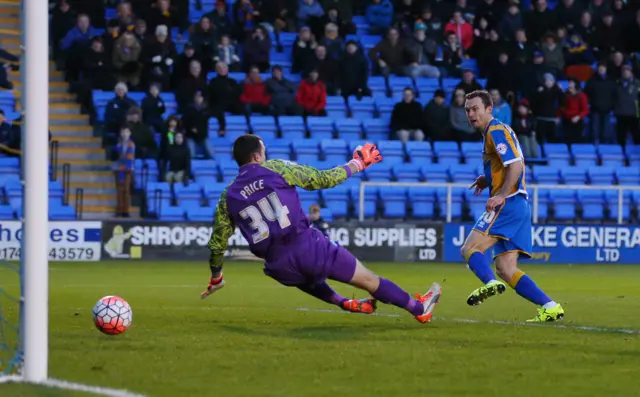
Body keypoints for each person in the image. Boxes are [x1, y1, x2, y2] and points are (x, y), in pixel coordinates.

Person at [201, 134, 442, 324]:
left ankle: (343, 302)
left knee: (308, 277)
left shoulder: (227, 196)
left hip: (278, 266)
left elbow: (217, 243)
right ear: (256, 156)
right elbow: (322, 179)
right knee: (369, 280)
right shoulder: (275, 169)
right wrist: (357, 163)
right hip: (308, 247)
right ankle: (420, 309)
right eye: (263, 152)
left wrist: (216, 277)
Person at [461, 90, 564, 322]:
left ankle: (489, 284)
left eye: (475, 108)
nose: (470, 113)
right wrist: (485, 179)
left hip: (508, 203)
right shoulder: (493, 132)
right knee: (506, 269)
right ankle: (550, 306)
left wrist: (501, 196)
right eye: (467, 109)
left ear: (489, 109)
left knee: (470, 249)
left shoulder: (495, 130)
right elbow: (505, 165)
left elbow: (516, 165)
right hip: (519, 204)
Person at [113, 125, 135, 218]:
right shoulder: (118, 144)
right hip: (118, 169)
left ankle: (125, 211)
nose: (125, 134)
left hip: (128, 169)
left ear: (130, 133)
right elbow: (114, 157)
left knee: (126, 190)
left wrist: (127, 167)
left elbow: (130, 158)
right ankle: (118, 211)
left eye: (127, 132)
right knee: (119, 190)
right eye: (123, 132)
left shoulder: (132, 144)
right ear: (121, 133)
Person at [560, 79, 589, 145]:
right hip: (566, 119)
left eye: (571, 83)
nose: (570, 85)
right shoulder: (565, 94)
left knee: (576, 139)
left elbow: (585, 110)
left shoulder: (582, 95)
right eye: (569, 83)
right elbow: (561, 106)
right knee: (566, 139)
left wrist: (578, 117)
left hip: (577, 120)